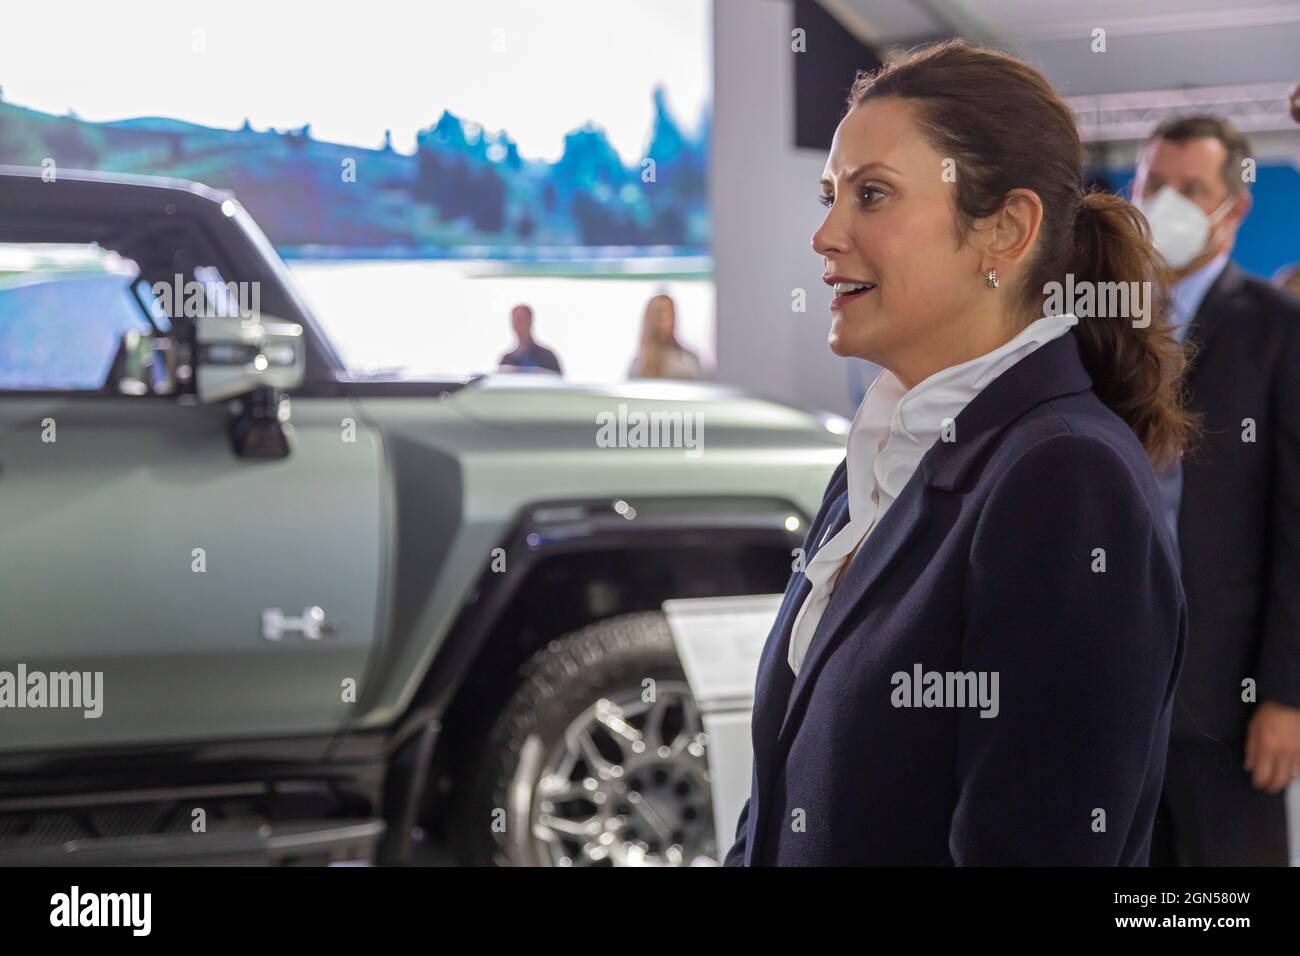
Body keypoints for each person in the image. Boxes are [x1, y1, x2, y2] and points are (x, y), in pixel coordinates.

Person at [724, 40, 1191, 866]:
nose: (825, 234)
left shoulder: (1064, 478)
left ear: (1004, 231)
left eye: (873, 196)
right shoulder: (884, 454)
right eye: (830, 195)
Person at [1132, 115, 1300, 866]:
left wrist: (1287, 695)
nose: (1165, 203)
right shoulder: (1102, 326)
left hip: (1227, 698)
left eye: (1190, 189)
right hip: (1117, 689)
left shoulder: (1278, 328)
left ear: (1233, 208)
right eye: (1153, 184)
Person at [627, 294, 704, 380]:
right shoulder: (639, 365)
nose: (668, 321)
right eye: (661, 315)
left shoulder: (689, 360)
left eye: (671, 314)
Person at [498, 304, 562, 374]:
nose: (520, 325)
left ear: (530, 322)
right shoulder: (507, 361)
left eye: (522, 320)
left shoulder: (547, 357)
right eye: (517, 321)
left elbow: (557, 380)